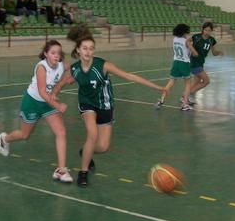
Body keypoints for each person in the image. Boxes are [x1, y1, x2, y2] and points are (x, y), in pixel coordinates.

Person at [51, 25, 167, 187]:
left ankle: (85, 152)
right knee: (92, 134)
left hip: (105, 106)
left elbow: (129, 76)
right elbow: (61, 83)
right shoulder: (74, 69)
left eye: (91, 49)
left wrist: (157, 87)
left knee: (103, 147)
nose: (88, 52)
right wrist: (54, 95)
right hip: (87, 104)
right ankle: (83, 173)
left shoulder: (103, 66)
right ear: (78, 50)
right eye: (84, 48)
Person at [0, 40, 72, 183]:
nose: (56, 56)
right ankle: (4, 139)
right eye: (53, 53)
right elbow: (43, 93)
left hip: (48, 104)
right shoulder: (41, 68)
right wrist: (58, 105)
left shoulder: (62, 65)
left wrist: (65, 80)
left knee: (61, 132)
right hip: (32, 102)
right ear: (45, 54)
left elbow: (71, 69)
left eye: (59, 53)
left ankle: (61, 170)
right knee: (25, 135)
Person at [155, 23, 199, 111]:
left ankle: (161, 99)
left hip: (176, 62)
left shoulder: (175, 39)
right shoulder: (186, 41)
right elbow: (195, 54)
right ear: (184, 32)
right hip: (184, 63)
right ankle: (185, 104)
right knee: (187, 84)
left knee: (171, 82)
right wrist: (191, 44)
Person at [188, 21, 224, 104]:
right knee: (206, 81)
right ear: (203, 29)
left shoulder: (212, 40)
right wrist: (192, 50)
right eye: (206, 30)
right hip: (194, 62)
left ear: (211, 31)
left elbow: (214, 53)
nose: (207, 32)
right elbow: (187, 42)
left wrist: (219, 52)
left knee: (196, 81)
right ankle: (190, 94)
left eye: (209, 30)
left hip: (201, 62)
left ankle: (184, 96)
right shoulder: (196, 37)